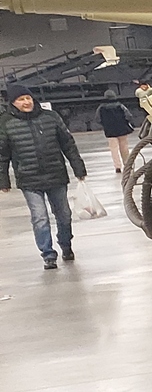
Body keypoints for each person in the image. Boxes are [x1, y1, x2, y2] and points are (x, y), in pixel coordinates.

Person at [2, 82, 88, 269]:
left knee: (64, 214)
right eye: (21, 99)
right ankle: (48, 254)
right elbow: (2, 154)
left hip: (56, 174)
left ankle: (66, 244)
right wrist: (3, 180)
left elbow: (68, 144)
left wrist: (78, 168)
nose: (26, 102)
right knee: (39, 217)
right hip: (29, 178)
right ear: (13, 103)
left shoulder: (51, 117)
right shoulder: (5, 123)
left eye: (28, 98)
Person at [99, 96, 138, 173]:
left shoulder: (101, 108)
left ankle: (117, 166)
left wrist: (105, 124)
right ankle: (127, 164)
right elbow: (128, 116)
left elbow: (98, 119)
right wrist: (128, 123)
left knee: (114, 149)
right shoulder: (120, 105)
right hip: (122, 129)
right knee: (124, 148)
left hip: (110, 131)